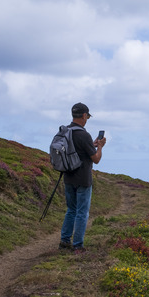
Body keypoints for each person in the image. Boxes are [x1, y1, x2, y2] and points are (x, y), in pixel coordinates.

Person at [59, 102, 106, 250]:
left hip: (68, 177)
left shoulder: (66, 132)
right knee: (81, 212)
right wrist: (100, 147)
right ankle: (78, 245)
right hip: (83, 179)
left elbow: (77, 150)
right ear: (84, 115)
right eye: (87, 117)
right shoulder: (84, 135)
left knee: (71, 210)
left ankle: (65, 241)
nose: (87, 120)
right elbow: (96, 159)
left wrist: (91, 144)